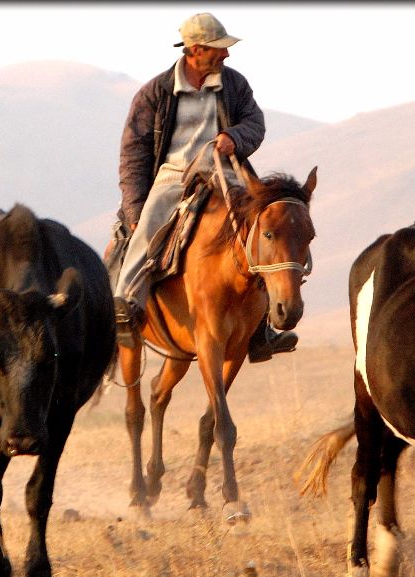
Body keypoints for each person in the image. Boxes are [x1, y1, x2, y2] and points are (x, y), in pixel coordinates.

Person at [113, 11, 298, 363]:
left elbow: (255, 123)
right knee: (146, 230)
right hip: (174, 174)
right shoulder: (155, 92)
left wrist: (234, 137)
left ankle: (261, 328)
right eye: (218, 49)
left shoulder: (234, 84)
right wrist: (135, 210)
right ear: (195, 50)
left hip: (226, 172)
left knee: (260, 232)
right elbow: (133, 154)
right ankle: (126, 307)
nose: (226, 55)